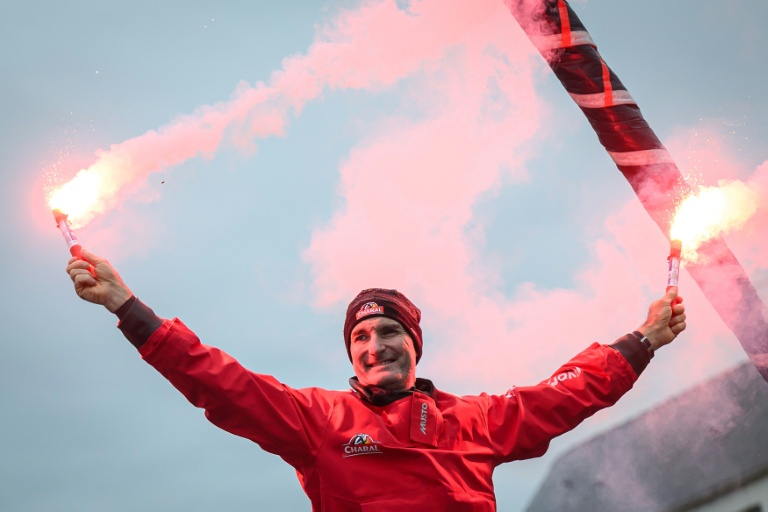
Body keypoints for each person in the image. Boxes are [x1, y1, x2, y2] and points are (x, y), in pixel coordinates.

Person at [66, 248, 686, 511]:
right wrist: (127, 306)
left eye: (388, 331)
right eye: (360, 337)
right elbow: (220, 381)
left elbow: (564, 394)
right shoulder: (318, 420)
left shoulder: (476, 421)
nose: (373, 346)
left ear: (414, 344)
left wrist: (644, 339)